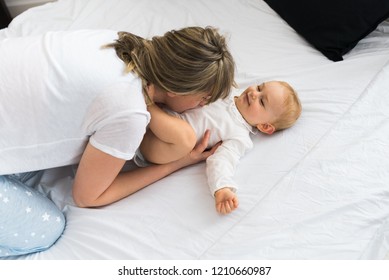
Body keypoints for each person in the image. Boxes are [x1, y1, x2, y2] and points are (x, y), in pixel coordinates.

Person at [0, 26, 236, 257]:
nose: (203, 106)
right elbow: (87, 197)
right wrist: (176, 164)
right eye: (204, 97)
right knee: (45, 228)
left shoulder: (116, 39)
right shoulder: (129, 110)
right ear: (176, 89)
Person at [136, 81, 302, 215]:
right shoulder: (227, 91)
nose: (253, 93)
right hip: (160, 113)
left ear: (265, 126)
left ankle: (147, 102)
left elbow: (222, 161)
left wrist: (222, 188)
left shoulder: (239, 136)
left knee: (184, 138)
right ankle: (146, 101)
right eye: (259, 88)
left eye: (261, 101)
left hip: (159, 143)